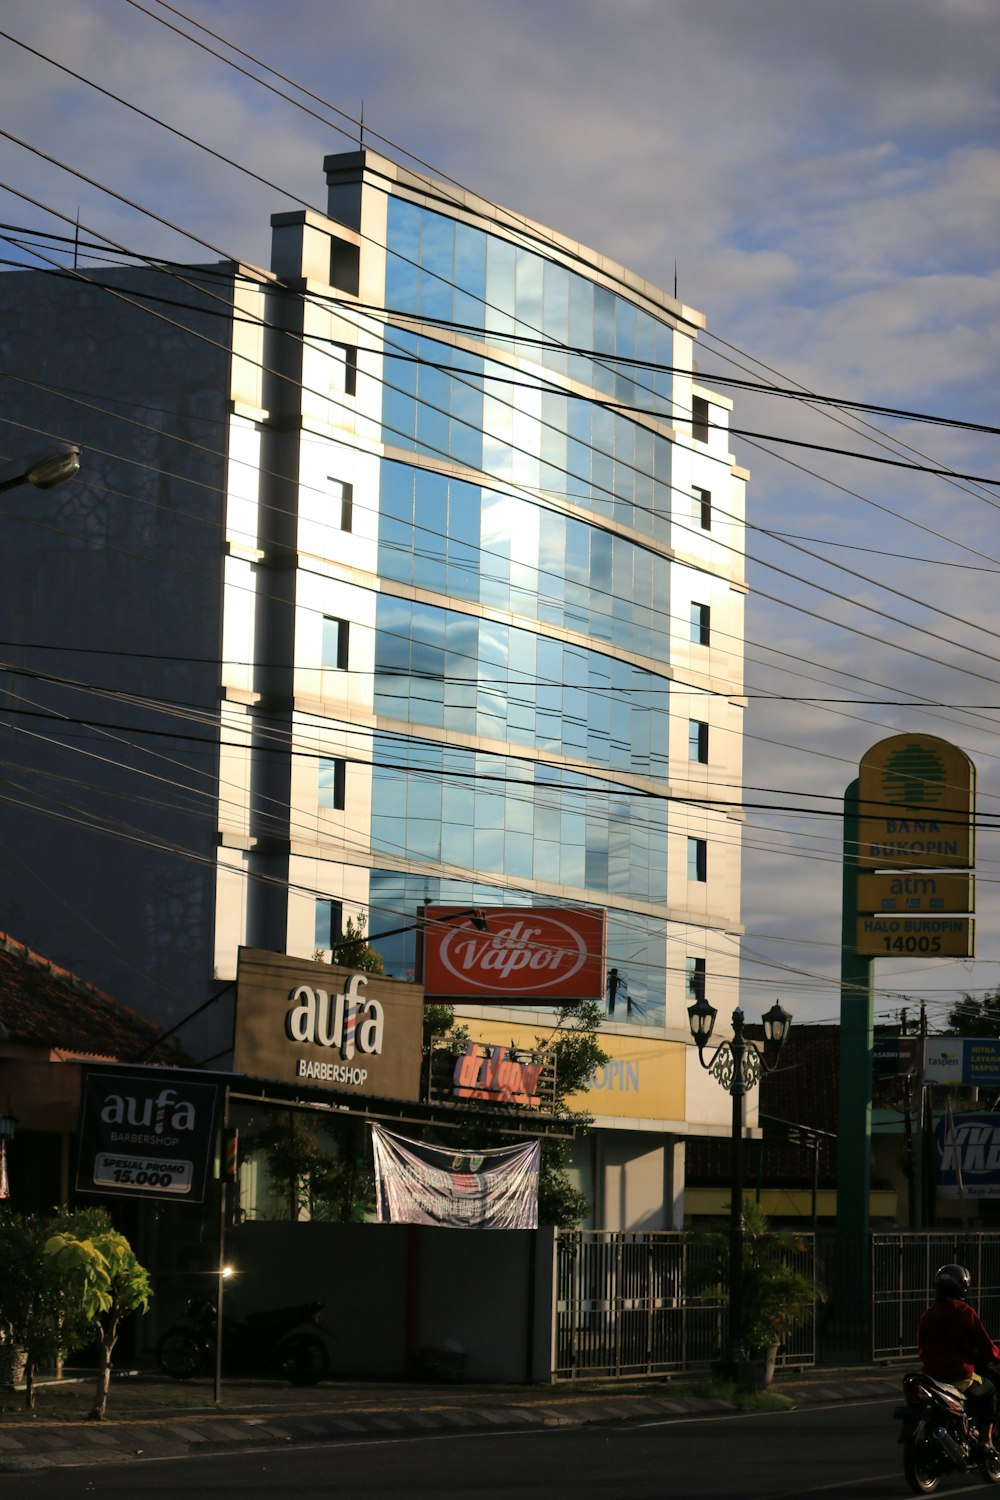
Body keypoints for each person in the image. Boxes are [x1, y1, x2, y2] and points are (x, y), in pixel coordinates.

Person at [918, 1263, 1000, 1459]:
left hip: (931, 1376)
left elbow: (921, 1346)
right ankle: (985, 1441)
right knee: (989, 1390)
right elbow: (986, 1346)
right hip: (959, 1375)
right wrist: (997, 1357)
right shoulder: (965, 1313)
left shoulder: (928, 1315)